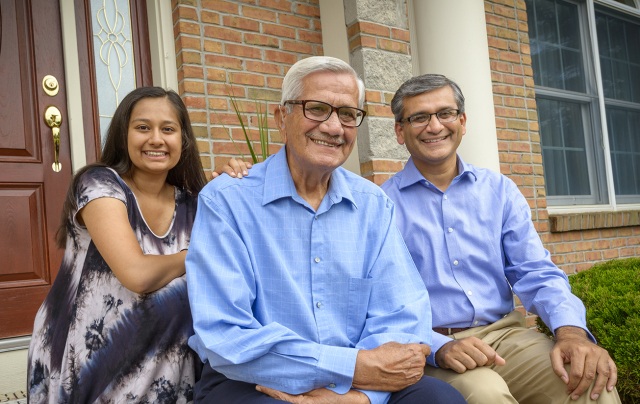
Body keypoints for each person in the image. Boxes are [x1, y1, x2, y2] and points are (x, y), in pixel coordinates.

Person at [185, 56, 466, 404]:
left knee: (440, 400)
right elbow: (225, 334)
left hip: (365, 373)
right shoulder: (227, 201)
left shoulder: (372, 204)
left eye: (348, 114)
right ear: (282, 118)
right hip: (252, 378)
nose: (334, 127)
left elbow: (403, 315)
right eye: (317, 109)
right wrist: (351, 368)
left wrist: (361, 395)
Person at [382, 73, 621, 404]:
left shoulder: (499, 190)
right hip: (434, 346)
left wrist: (571, 333)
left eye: (445, 114)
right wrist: (439, 348)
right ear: (400, 131)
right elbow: (383, 303)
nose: (434, 126)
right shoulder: (382, 206)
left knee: (590, 383)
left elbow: (535, 272)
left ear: (462, 122)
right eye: (419, 117)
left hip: (506, 335)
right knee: (486, 394)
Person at [28, 87, 207, 403]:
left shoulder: (194, 205)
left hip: (166, 368)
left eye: (168, 129)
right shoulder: (100, 183)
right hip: (89, 365)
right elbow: (136, 275)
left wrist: (231, 187)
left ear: (184, 140)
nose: (155, 139)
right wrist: (198, 254)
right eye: (142, 127)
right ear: (123, 135)